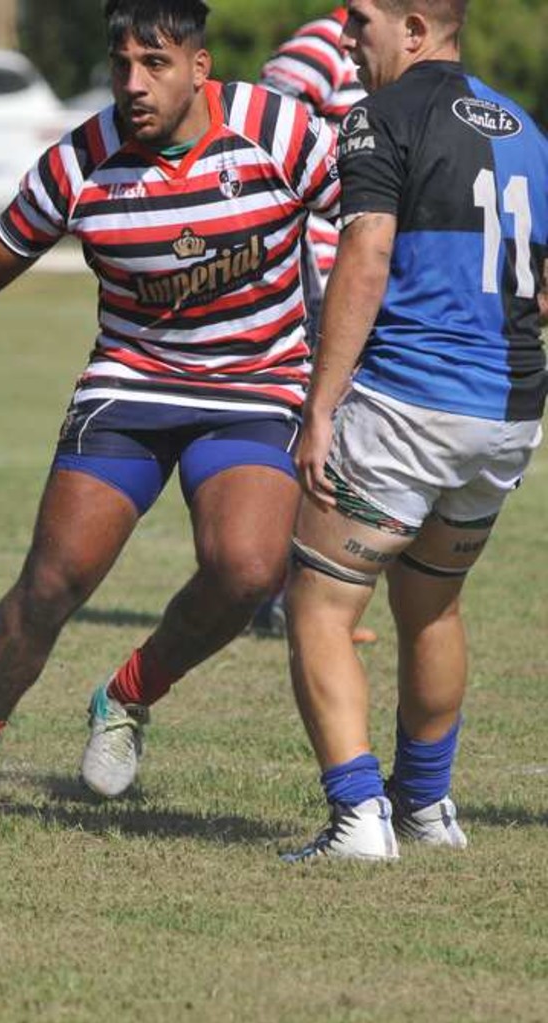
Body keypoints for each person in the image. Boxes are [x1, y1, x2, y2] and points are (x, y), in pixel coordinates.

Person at [0, 0, 341, 805]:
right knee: (53, 580)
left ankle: (127, 695)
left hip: (255, 383)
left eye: (155, 64)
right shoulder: (81, 161)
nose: (133, 84)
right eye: (121, 64)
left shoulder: (281, 131)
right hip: (131, 383)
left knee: (245, 570)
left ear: (199, 68)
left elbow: (372, 229)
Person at [282, 0, 548, 861]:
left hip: (406, 401)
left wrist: (319, 406)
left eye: (361, 21)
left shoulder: (380, 117)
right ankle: (426, 809)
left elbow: (362, 256)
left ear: (414, 29)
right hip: (505, 410)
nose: (347, 38)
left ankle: (358, 816)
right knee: (431, 600)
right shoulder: (523, 128)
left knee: (319, 604)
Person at [251, 8, 376, 642]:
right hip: (319, 271)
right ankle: (285, 594)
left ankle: (317, 591)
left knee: (344, 432)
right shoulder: (319, 47)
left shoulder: (392, 46)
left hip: (362, 263)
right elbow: (260, 147)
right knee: (314, 429)